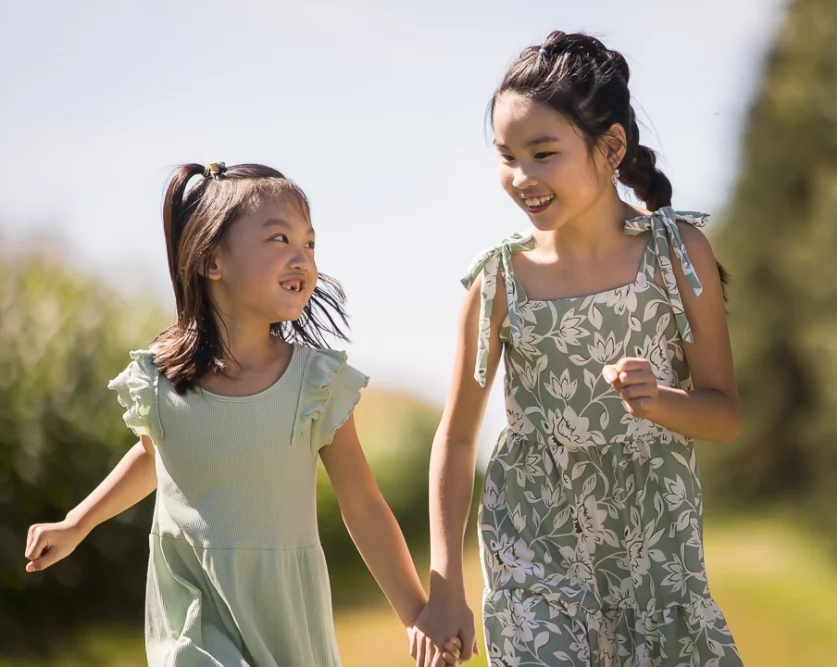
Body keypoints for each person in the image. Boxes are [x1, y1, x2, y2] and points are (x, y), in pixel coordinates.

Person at [24, 162, 460, 667]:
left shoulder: (316, 383)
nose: (303, 259)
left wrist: (415, 614)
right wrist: (77, 523)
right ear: (212, 262)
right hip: (192, 609)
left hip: (283, 613)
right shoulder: (162, 380)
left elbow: (362, 504)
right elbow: (156, 458)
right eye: (279, 239)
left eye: (310, 245)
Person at [416, 31, 744, 666]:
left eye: (542, 153)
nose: (521, 177)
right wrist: (446, 587)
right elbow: (456, 439)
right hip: (534, 557)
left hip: (654, 554)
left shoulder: (679, 257)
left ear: (611, 146)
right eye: (506, 156)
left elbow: (724, 413)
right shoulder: (499, 283)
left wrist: (661, 402)